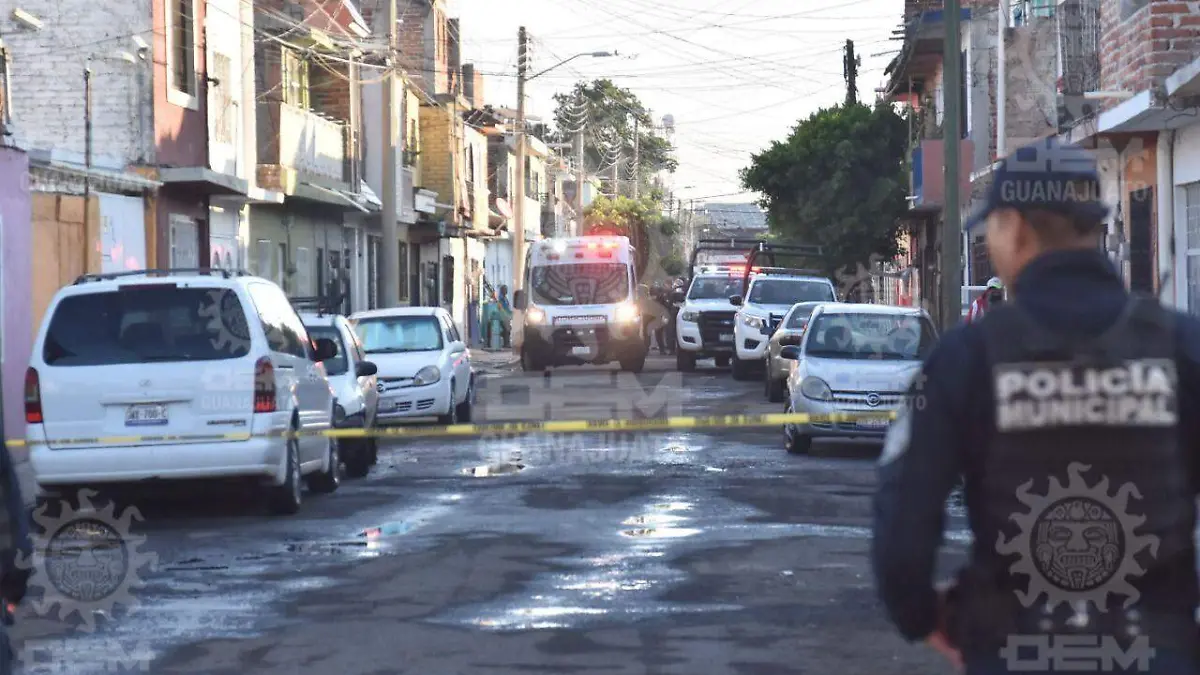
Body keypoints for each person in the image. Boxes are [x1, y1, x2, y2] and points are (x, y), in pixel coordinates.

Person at [872, 136, 1200, 675]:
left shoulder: (967, 358)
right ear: (1093, 227)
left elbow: (903, 524)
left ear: (1015, 226)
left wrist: (926, 617)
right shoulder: (1180, 347)